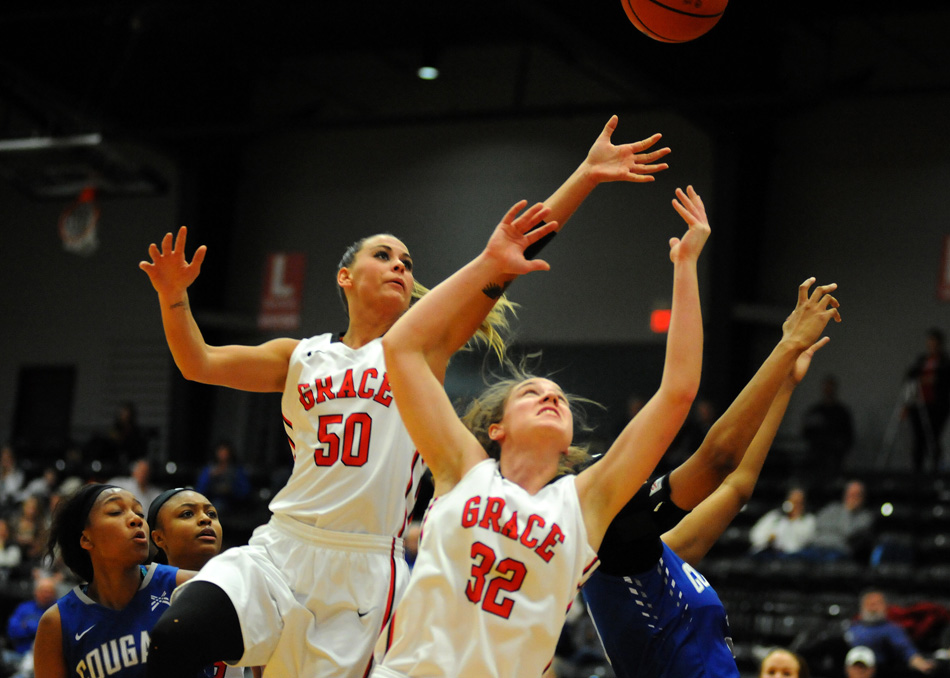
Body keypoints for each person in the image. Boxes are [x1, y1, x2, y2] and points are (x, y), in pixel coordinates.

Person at [138, 116, 672, 678]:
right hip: (283, 545)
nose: (400, 266)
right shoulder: (298, 356)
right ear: (345, 276)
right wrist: (174, 298)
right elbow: (197, 363)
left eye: (408, 263)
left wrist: (584, 177)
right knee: (179, 635)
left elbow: (508, 256)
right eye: (384, 256)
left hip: (367, 569)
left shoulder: (417, 350)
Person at [371, 183, 709, 678]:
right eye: (530, 393)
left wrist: (686, 266)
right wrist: (489, 264)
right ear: (498, 428)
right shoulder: (462, 467)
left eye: (558, 398)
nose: (550, 396)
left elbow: (678, 393)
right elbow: (401, 347)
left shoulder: (584, 505)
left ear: (570, 442)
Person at [582, 278, 841, 678]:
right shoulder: (618, 549)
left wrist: (785, 385)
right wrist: (785, 345)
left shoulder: (659, 557)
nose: (630, 470)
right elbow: (719, 458)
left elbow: (736, 488)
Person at [32, 483, 193, 678]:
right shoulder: (57, 623)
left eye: (140, 513)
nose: (136, 519)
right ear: (86, 539)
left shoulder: (180, 585)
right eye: (116, 512)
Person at [147, 487, 256, 678]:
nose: (206, 519)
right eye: (187, 513)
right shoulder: (142, 588)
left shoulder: (244, 586)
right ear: (158, 537)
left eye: (212, 514)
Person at [846, 589, 935, 675]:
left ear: (885, 606)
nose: (872, 608)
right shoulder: (852, 627)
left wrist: (920, 663)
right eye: (869, 604)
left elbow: (906, 649)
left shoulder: (892, 630)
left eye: (876, 604)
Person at [903, 328, 950, 474]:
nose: (932, 346)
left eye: (934, 343)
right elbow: (910, 376)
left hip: (937, 406)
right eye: (929, 343)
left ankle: (936, 470)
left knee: (933, 438)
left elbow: (943, 380)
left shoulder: (944, 362)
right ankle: (917, 471)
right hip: (919, 405)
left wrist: (933, 380)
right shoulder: (921, 360)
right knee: (919, 440)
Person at [796, 480, 874, 563]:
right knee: (792, 558)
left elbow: (848, 532)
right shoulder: (832, 508)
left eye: (856, 495)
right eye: (850, 494)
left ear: (863, 498)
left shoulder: (865, 516)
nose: (852, 497)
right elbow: (817, 525)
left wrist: (847, 511)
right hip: (817, 547)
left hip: (837, 551)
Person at [800, 374, 854, 480]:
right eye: (826, 387)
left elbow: (849, 436)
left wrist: (839, 448)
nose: (828, 390)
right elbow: (805, 432)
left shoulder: (842, 412)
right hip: (815, 457)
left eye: (830, 387)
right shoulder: (815, 411)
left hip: (835, 458)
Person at [3, 576, 59, 674]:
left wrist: (27, 625)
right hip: (18, 655)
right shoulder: (24, 608)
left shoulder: (60, 610)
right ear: (36, 592)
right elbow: (11, 631)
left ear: (55, 594)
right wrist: (37, 628)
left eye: (49, 592)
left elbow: (56, 634)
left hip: (46, 660)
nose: (46, 595)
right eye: (43, 591)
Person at [749, 485, 816, 558]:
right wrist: (769, 538)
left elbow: (801, 542)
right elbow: (755, 535)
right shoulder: (774, 516)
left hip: (793, 557)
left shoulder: (808, 520)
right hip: (769, 553)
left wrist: (792, 521)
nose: (795, 505)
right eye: (793, 501)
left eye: (798, 502)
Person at [194, 441, 252, 514]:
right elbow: (199, 490)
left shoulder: (237, 470)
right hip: (211, 501)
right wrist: (210, 477)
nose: (223, 455)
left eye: (225, 452)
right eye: (221, 451)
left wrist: (231, 489)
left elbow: (245, 491)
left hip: (232, 504)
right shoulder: (210, 469)